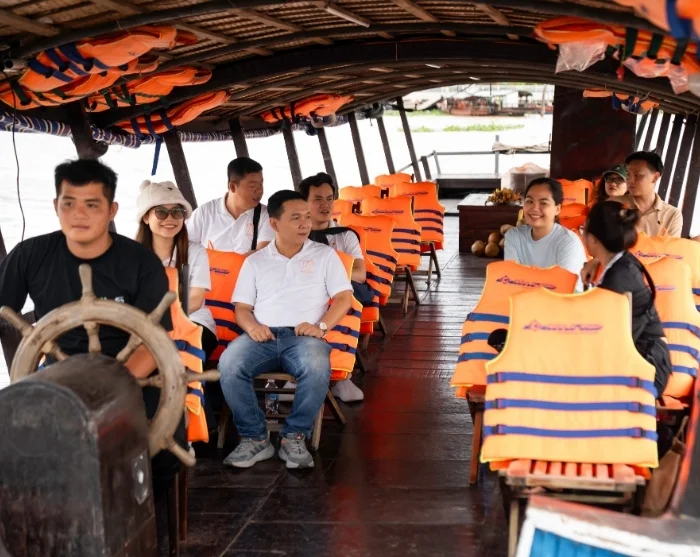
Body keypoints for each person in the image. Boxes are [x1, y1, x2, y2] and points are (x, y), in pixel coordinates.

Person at [0, 159, 185, 492]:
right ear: (56, 206)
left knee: (162, 454)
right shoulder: (30, 255)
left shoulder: (141, 262)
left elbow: (154, 345)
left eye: (92, 205)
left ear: (112, 210)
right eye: (69, 204)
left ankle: (142, 515)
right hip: (61, 376)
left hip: (133, 374)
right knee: (17, 449)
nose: (79, 215)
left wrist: (106, 390)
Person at [218, 190, 353, 469]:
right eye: (296, 218)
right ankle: (255, 438)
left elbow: (344, 298)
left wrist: (321, 326)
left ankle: (294, 436)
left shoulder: (325, 255)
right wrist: (253, 327)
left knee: (316, 365)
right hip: (262, 336)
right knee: (229, 363)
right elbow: (242, 308)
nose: (305, 224)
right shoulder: (255, 261)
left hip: (304, 338)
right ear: (275, 223)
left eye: (307, 217)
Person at [581, 201, 671, 396]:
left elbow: (605, 336)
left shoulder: (618, 277)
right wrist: (595, 260)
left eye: (583, 229)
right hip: (643, 356)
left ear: (594, 239)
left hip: (648, 366)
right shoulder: (619, 262)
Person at [294, 172, 367, 403]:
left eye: (329, 199)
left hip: (337, 296)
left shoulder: (345, 236)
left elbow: (360, 274)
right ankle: (295, 373)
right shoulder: (294, 235)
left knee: (343, 303)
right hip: (300, 295)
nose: (325, 205)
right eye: (317, 199)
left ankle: (340, 376)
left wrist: (327, 277)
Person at [135, 180, 217, 361]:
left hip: (194, 322)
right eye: (161, 212)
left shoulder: (195, 252)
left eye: (177, 212)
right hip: (144, 326)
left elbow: (195, 299)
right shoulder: (130, 255)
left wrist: (160, 319)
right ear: (146, 217)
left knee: (167, 355)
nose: (170, 218)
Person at [504, 177, 588, 285]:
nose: (534, 208)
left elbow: (562, 287)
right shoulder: (514, 236)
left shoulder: (568, 242)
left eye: (543, 203)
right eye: (529, 201)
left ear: (557, 209)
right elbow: (510, 280)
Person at [186, 156, 275, 254]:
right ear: (232, 187)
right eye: (252, 186)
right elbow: (185, 247)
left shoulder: (265, 215)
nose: (259, 191)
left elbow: (263, 255)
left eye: (261, 185)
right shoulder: (205, 212)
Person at [609, 151, 682, 237]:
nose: (630, 180)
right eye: (628, 174)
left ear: (655, 177)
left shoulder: (672, 215)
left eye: (637, 175)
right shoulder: (612, 205)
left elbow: (671, 245)